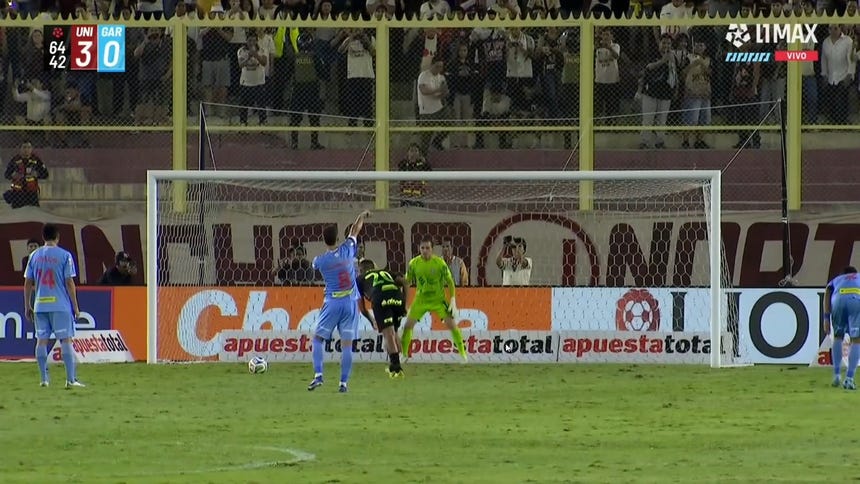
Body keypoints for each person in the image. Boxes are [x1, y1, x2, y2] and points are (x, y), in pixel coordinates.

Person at [307, 210, 370, 393]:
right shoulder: (347, 248)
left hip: (332, 303)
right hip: (350, 303)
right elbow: (355, 229)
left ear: (324, 240)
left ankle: (318, 375)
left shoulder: (320, 260)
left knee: (318, 340)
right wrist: (362, 216)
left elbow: (313, 267)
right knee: (347, 346)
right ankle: (343, 383)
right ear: (337, 238)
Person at [23, 224, 84, 389]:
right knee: (66, 339)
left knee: (41, 341)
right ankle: (70, 379)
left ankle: (44, 379)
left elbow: (28, 283)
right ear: (57, 237)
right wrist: (76, 307)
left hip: (40, 305)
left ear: (43, 237)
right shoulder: (65, 255)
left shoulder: (34, 256)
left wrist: (27, 305)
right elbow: (69, 282)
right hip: (60, 305)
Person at [400, 238, 467, 363]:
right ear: (419, 249)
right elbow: (407, 282)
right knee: (407, 326)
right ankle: (404, 355)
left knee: (452, 324)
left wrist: (452, 300)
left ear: (432, 249)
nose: (425, 251)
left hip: (438, 300)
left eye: (427, 248)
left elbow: (450, 282)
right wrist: (404, 298)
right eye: (422, 248)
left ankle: (463, 354)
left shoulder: (439, 263)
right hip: (421, 300)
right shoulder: (413, 263)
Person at [358, 259, 406, 377]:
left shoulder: (359, 279)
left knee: (388, 334)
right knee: (394, 332)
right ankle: (398, 360)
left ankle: (396, 367)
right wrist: (405, 303)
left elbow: (362, 308)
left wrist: (371, 320)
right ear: (374, 266)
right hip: (397, 297)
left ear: (361, 270)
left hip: (380, 298)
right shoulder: (386, 272)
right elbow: (405, 282)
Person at [824, 266, 860, 389]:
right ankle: (849, 378)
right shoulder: (859, 277)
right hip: (856, 299)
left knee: (838, 337)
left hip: (838, 300)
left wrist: (825, 318)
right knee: (856, 340)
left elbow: (827, 292)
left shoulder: (837, 279)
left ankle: (837, 375)